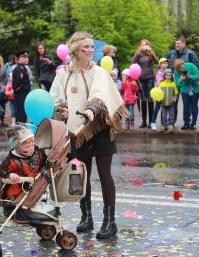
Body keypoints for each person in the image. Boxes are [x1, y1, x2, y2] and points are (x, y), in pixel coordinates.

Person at [50, 32, 129, 239]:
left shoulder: (99, 72)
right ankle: (86, 217)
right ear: (75, 50)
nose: (91, 51)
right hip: (78, 130)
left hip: (100, 127)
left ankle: (110, 221)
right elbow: (56, 100)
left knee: (104, 175)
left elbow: (99, 94)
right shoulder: (62, 74)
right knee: (82, 174)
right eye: (86, 47)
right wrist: (62, 110)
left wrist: (92, 109)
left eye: (92, 47)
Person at [131, 39, 158, 128]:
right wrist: (138, 53)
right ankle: (144, 121)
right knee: (143, 100)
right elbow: (132, 62)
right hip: (141, 79)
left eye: (146, 45)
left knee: (150, 100)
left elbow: (157, 62)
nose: (144, 47)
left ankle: (151, 121)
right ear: (140, 46)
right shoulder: (138, 54)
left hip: (150, 78)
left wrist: (152, 53)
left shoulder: (150, 53)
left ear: (148, 46)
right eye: (142, 45)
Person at [173, 58, 199, 130]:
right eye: (180, 67)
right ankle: (186, 123)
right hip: (185, 90)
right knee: (186, 106)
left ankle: (193, 124)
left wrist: (191, 76)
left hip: (195, 88)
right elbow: (177, 85)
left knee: (194, 105)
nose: (182, 68)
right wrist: (180, 80)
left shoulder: (191, 66)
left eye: (182, 65)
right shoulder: (176, 71)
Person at [12, 51, 31, 123]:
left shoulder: (23, 67)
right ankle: (20, 131)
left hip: (23, 93)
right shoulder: (19, 68)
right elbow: (18, 83)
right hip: (21, 93)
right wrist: (22, 88)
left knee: (23, 113)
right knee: (21, 114)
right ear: (19, 58)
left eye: (27, 57)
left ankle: (21, 129)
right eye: (24, 57)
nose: (26, 59)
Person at [150, 58, 169, 130]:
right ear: (160, 65)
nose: (166, 64)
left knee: (164, 109)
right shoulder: (159, 72)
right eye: (164, 63)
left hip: (166, 93)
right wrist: (165, 79)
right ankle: (153, 123)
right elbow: (159, 83)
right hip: (159, 94)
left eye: (166, 63)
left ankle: (163, 123)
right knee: (157, 108)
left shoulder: (168, 72)